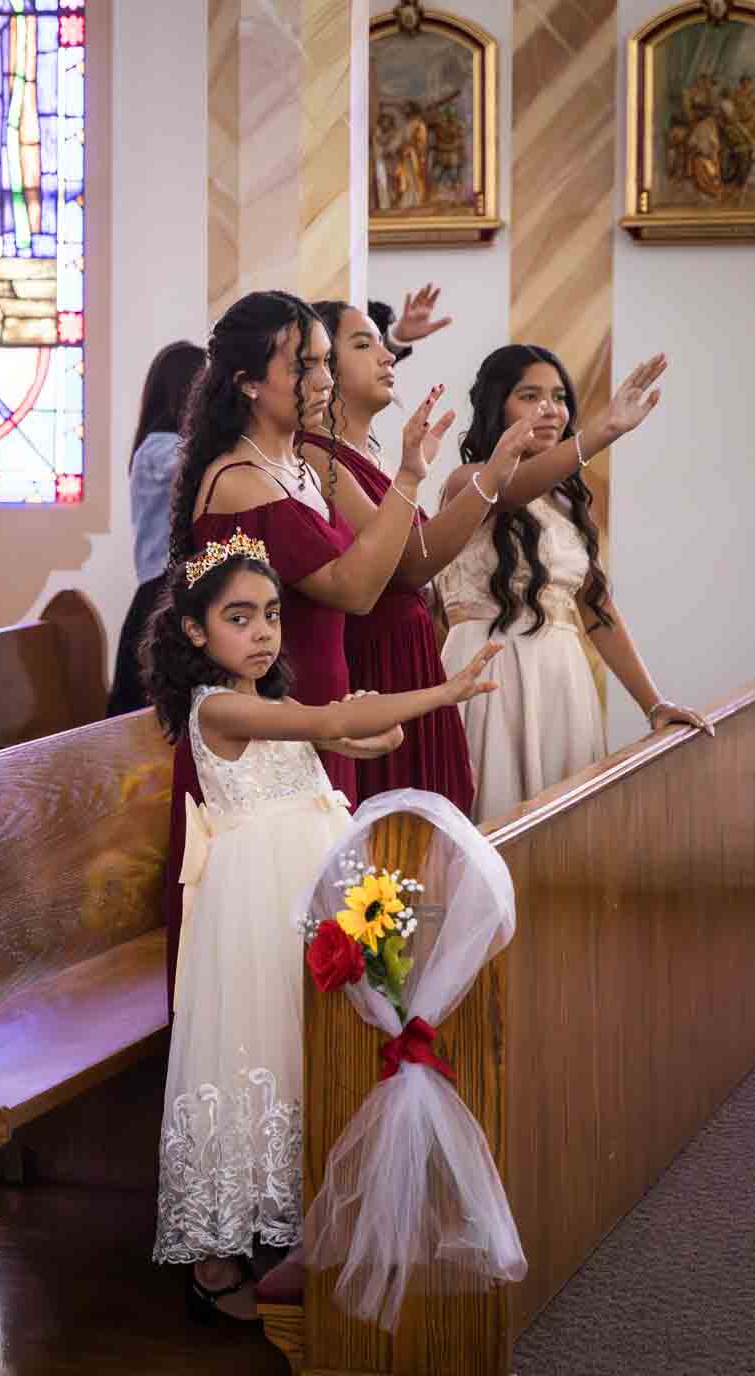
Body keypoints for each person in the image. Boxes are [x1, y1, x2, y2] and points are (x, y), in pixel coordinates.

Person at [140, 534, 499, 1322]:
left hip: (300, 884)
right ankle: (213, 1260)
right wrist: (438, 695)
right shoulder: (220, 707)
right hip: (254, 900)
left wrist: (374, 725)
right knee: (251, 1050)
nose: (264, 632)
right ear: (197, 633)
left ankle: (299, 1221)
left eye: (271, 614)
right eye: (240, 618)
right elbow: (332, 721)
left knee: (304, 1044)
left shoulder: (270, 705)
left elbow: (358, 733)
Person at [160, 292, 449, 1001]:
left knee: (331, 937)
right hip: (271, 738)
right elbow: (356, 587)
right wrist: (408, 476)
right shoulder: (240, 483)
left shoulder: (298, 468)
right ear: (249, 382)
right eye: (304, 365)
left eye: (325, 361)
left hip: (317, 718)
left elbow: (388, 571)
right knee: (273, 953)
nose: (322, 380)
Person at [298, 299, 575, 809]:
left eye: (385, 343)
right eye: (364, 344)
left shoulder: (369, 459)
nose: (386, 356)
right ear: (318, 368)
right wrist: (491, 473)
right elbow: (411, 565)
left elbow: (424, 558)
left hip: (412, 656)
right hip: (373, 664)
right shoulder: (316, 453)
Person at [434, 345, 709, 824]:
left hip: (561, 676)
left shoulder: (570, 501)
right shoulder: (467, 482)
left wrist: (654, 704)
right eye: (530, 395)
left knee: (564, 834)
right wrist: (606, 429)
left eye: (559, 397)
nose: (551, 409)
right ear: (497, 406)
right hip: (490, 675)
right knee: (493, 825)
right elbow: (511, 487)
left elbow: (597, 609)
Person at [106, 340, 204, 717]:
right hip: (160, 595)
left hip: (178, 589)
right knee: (148, 716)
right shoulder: (159, 449)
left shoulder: (169, 446)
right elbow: (197, 462)